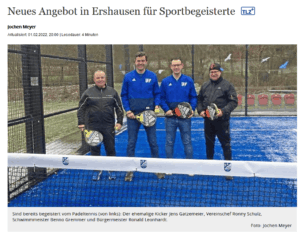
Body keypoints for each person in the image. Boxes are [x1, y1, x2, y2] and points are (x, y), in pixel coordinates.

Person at [121, 51, 161, 180]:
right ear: (135, 62)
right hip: (133, 116)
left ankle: (157, 168)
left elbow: (157, 93)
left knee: (153, 142)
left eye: (143, 60)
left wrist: (156, 106)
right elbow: (124, 95)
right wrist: (128, 110)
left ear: (146, 62)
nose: (140, 63)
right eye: (138, 61)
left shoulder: (153, 76)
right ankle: (129, 170)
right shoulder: (128, 77)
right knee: (131, 143)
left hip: (149, 115)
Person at [77, 70, 123, 180]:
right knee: (94, 149)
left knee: (110, 149)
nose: (100, 79)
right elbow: (81, 108)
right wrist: (81, 123)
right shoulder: (88, 93)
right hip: (92, 126)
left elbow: (119, 108)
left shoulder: (112, 92)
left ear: (105, 78)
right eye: (98, 78)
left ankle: (112, 170)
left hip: (108, 126)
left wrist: (120, 122)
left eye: (102, 77)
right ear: (94, 79)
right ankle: (97, 170)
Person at [197, 63, 238, 180]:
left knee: (226, 145)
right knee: (209, 145)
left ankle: (228, 170)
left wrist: (223, 111)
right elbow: (199, 100)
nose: (213, 74)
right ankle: (210, 168)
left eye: (215, 72)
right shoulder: (205, 85)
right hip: (208, 121)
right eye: (211, 72)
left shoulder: (227, 85)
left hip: (222, 122)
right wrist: (200, 110)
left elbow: (233, 102)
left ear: (220, 72)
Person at [160, 58, 197, 160]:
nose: (176, 67)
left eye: (178, 65)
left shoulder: (189, 80)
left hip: (185, 118)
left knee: (187, 141)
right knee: (169, 142)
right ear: (171, 67)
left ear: (182, 66)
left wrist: (192, 109)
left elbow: (193, 97)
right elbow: (161, 98)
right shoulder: (165, 81)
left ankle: (189, 166)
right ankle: (169, 165)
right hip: (170, 118)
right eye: (174, 65)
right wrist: (166, 109)